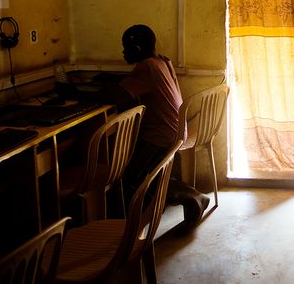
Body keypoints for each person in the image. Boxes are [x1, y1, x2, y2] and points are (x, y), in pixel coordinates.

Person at [64, 24, 210, 232]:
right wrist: (111, 80)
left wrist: (75, 94)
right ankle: (190, 198)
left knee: (135, 180)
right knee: (148, 174)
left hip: (160, 136)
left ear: (138, 48)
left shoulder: (145, 68)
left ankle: (190, 198)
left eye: (126, 48)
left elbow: (116, 96)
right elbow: (137, 84)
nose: (123, 53)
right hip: (176, 130)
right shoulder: (162, 61)